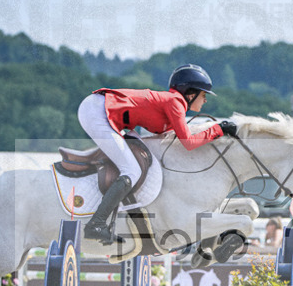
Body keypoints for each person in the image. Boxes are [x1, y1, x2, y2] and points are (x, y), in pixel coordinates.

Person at [77, 64, 237, 242]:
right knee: (132, 170)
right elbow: (189, 142)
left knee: (136, 163)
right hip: (97, 111)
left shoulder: (173, 103)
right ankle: (96, 224)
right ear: (191, 95)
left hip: (103, 111)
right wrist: (219, 129)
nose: (205, 100)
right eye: (203, 95)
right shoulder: (175, 102)